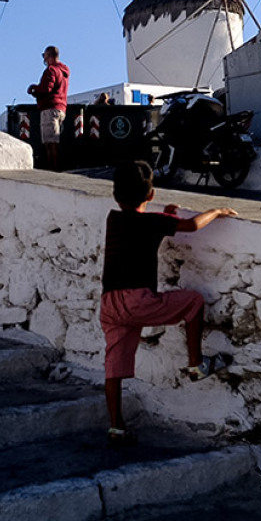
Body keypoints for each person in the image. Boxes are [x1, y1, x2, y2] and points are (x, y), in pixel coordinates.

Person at [100, 161, 237, 445]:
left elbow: (140, 227)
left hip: (110, 303)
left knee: (113, 366)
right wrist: (217, 211)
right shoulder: (153, 223)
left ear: (115, 196)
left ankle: (116, 427)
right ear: (151, 195)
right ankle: (197, 364)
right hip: (138, 300)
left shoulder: (113, 219)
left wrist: (165, 217)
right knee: (194, 302)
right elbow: (192, 225)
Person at [27, 45, 69, 170]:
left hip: (50, 108)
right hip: (61, 108)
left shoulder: (51, 70)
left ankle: (53, 168)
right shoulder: (64, 71)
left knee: (49, 142)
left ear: (49, 56)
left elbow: (47, 88)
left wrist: (34, 89)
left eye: (44, 55)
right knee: (54, 139)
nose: (43, 58)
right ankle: (55, 166)